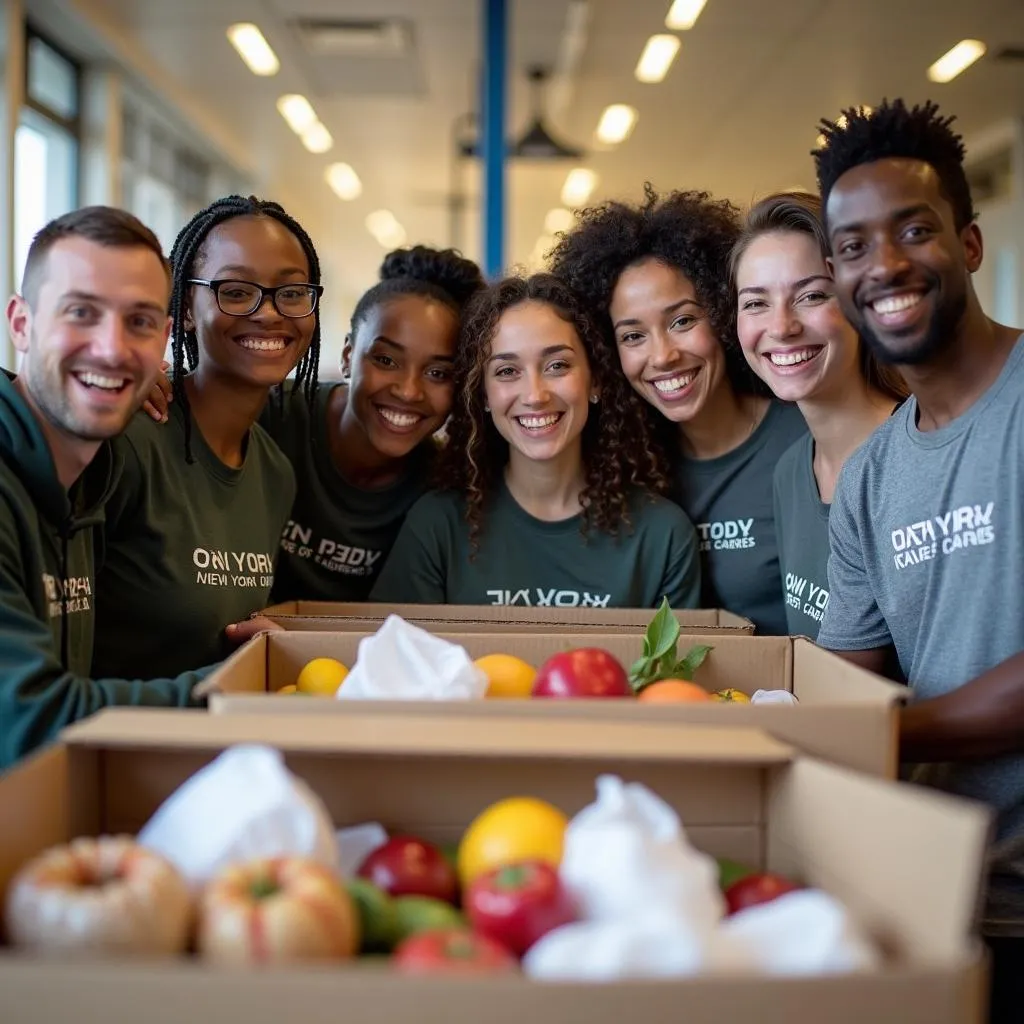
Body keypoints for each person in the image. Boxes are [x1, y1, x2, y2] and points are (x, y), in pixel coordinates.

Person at [810, 99, 1023, 1021]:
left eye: (915, 231)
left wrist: (878, 734)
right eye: (854, 246)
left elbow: (861, 726)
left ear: (970, 245)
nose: (886, 265)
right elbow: (843, 687)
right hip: (951, 904)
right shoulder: (871, 479)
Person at [0, 206, 229, 769]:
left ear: (165, 341)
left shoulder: (89, 485)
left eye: (140, 322)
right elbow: (36, 718)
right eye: (81, 312)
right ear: (21, 324)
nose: (112, 348)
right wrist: (252, 686)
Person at [549, 186, 807, 634]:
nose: (663, 355)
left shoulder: (804, 437)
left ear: (724, 312)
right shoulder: (618, 466)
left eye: (682, 321)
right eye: (633, 336)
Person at [370, 273, 702, 609]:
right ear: (483, 394)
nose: (535, 395)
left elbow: (673, 662)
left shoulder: (662, 536)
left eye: (557, 365)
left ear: (596, 381)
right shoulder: (436, 526)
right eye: (507, 371)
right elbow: (398, 657)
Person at [91, 196, 320, 679]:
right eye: (236, 291)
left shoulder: (275, 472)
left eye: (293, 292)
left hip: (213, 742)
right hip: (112, 742)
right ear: (186, 308)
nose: (270, 313)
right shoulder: (130, 439)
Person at [730, 191, 907, 638]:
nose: (782, 326)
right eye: (755, 302)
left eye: (811, 295)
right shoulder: (790, 473)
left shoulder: (914, 458)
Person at [263, 245, 485, 602]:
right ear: (349, 355)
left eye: (438, 373)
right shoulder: (270, 417)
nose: (409, 391)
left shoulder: (440, 486)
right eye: (386, 359)